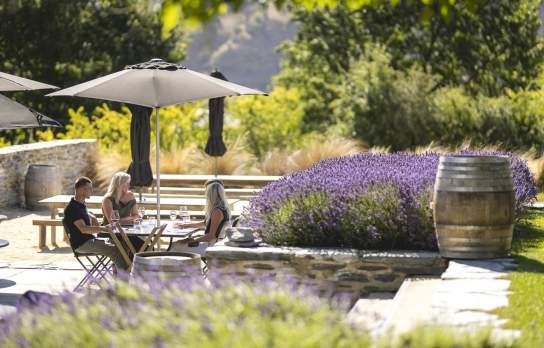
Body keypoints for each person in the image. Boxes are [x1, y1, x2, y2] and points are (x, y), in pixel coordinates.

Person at [63, 177, 128, 272]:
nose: (91, 191)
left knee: (122, 245)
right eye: (89, 188)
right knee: (115, 251)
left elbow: (89, 221)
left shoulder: (81, 205)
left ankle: (118, 275)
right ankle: (124, 280)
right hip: (82, 244)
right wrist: (103, 229)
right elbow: (84, 229)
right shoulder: (73, 208)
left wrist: (93, 218)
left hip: (89, 240)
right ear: (81, 190)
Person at [170, 180, 231, 254]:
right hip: (213, 244)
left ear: (211, 195)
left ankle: (182, 265)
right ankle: (188, 264)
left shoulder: (217, 211)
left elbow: (211, 236)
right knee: (178, 243)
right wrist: (186, 225)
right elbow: (205, 224)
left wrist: (194, 241)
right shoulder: (223, 208)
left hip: (211, 247)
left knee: (175, 245)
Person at [101, 172, 145, 252]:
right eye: (127, 183)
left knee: (145, 244)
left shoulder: (130, 195)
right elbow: (113, 222)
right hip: (111, 232)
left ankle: (132, 263)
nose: (129, 186)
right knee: (141, 245)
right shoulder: (108, 200)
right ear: (120, 185)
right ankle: (130, 263)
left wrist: (124, 220)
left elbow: (137, 215)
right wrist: (131, 219)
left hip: (127, 230)